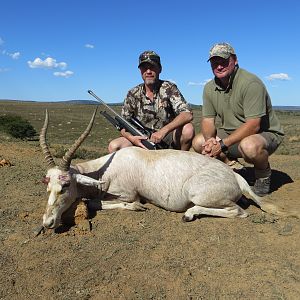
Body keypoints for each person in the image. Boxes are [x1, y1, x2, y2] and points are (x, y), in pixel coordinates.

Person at [192, 42, 284, 196]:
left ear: (234, 60)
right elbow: (208, 120)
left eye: (223, 61)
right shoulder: (209, 87)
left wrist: (221, 145)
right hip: (231, 135)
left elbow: (254, 125)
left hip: (263, 135)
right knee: (199, 142)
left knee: (249, 146)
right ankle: (234, 167)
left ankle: (263, 175)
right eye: (215, 62)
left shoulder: (250, 83)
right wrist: (210, 141)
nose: (219, 66)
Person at [108, 50, 194, 153]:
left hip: (167, 137)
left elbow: (187, 114)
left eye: (152, 67)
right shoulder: (132, 93)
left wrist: (163, 131)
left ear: (160, 69)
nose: (148, 71)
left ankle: (181, 162)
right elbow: (123, 125)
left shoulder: (169, 88)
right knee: (114, 146)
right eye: (144, 68)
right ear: (140, 71)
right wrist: (133, 139)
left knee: (188, 130)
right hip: (141, 140)